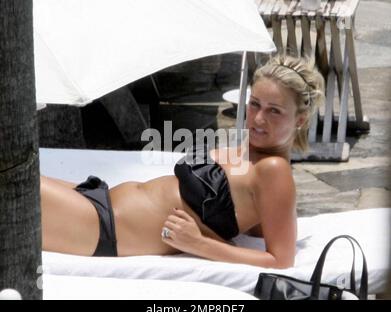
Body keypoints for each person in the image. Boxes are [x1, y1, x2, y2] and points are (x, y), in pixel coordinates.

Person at [41, 54, 325, 268]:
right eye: (254, 105)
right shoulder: (250, 152)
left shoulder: (273, 170)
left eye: (274, 111)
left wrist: (199, 244)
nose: (259, 118)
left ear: (300, 120)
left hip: (106, 228)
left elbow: (280, 260)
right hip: (98, 199)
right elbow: (247, 219)